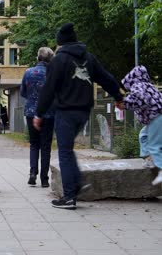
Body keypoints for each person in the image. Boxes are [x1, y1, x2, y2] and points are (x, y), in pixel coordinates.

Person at [34, 23, 123, 210]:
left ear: (60, 42)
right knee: (68, 149)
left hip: (66, 112)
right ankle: (75, 184)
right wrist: (118, 96)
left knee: (65, 152)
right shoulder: (88, 58)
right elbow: (106, 77)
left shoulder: (58, 61)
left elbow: (48, 89)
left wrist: (39, 113)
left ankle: (69, 196)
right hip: (83, 112)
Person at [118, 65, 162, 185]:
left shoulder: (138, 86)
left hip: (157, 117)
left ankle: (160, 168)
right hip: (156, 116)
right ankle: (149, 158)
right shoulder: (147, 86)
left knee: (154, 145)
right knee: (143, 135)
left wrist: (125, 104)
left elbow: (140, 100)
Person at [20, 47, 55, 187]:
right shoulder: (53, 73)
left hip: (31, 112)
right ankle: (44, 179)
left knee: (34, 144)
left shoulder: (28, 72)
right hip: (49, 113)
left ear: (38, 58)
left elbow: (23, 92)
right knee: (46, 146)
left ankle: (32, 173)